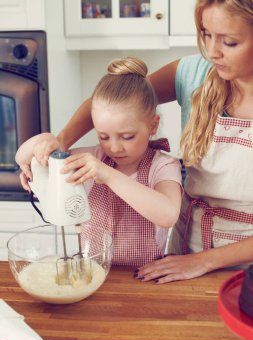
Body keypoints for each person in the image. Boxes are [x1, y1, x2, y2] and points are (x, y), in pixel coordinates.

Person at [18, 0, 253, 283]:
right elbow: (118, 100)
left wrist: (202, 262)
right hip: (187, 245)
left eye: (229, 42)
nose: (212, 52)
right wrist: (58, 144)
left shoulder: (160, 166)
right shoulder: (194, 75)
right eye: (206, 34)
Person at [16, 57, 182, 267]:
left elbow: (168, 215)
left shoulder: (163, 166)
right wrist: (45, 142)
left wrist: (108, 175)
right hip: (92, 273)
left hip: (142, 278)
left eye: (127, 137)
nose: (114, 148)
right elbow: (22, 156)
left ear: (152, 125)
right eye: (104, 137)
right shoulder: (91, 159)